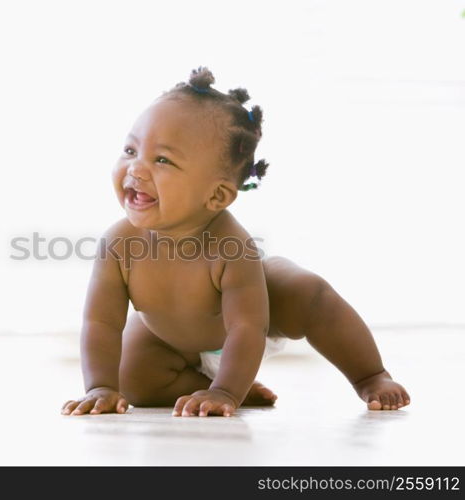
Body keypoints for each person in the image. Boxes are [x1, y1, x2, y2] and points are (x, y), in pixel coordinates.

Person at [62, 66, 410, 417]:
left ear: (216, 196)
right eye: (130, 150)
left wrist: (226, 391)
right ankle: (206, 388)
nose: (135, 169)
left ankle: (370, 376)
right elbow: (101, 323)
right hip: (169, 337)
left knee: (308, 293)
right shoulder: (119, 245)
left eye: (162, 160)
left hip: (257, 320)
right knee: (132, 377)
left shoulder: (231, 247)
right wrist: (101, 387)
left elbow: (247, 327)